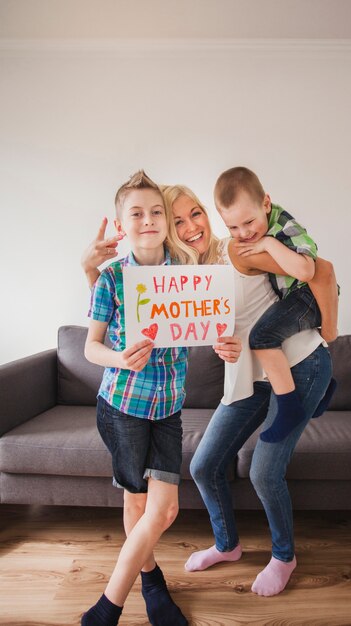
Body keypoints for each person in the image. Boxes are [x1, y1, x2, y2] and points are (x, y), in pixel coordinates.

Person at [82, 178, 338, 600]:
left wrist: (330, 331)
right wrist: (89, 267)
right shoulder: (181, 276)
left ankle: (283, 556)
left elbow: (322, 272)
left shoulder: (238, 247)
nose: (189, 227)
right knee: (203, 465)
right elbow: (121, 305)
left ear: (209, 213)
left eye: (195, 213)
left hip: (300, 365)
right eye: (177, 220)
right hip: (250, 375)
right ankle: (227, 545)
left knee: (263, 469)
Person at [82, 169, 241, 626]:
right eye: (137, 213)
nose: (148, 220)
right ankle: (153, 585)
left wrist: (223, 343)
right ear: (121, 225)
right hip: (122, 409)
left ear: (165, 223)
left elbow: (206, 327)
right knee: (136, 505)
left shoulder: (187, 276)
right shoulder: (112, 278)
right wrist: (117, 357)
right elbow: (90, 346)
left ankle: (106, 607)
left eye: (156, 212)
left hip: (168, 409)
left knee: (165, 509)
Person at [213, 166, 337, 443]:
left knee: (262, 337)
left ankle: (288, 408)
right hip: (296, 297)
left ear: (266, 203)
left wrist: (269, 244)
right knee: (265, 334)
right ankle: (325, 388)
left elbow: (309, 271)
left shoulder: (285, 228)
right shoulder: (242, 241)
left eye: (248, 222)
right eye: (233, 227)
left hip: (307, 295)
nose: (243, 233)